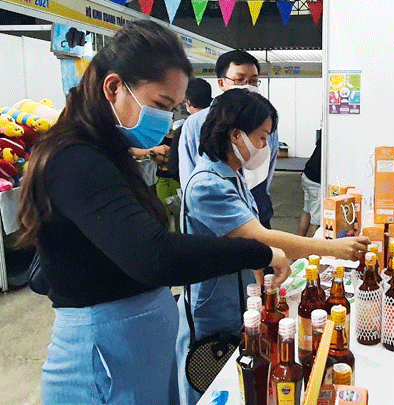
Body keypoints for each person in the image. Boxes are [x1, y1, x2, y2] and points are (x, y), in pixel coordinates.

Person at [15, 20, 290, 405]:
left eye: (174, 108)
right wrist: (259, 252)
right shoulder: (74, 159)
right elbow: (154, 255)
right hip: (105, 362)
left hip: (137, 350)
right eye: (161, 106)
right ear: (113, 87)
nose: (165, 120)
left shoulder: (110, 153)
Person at [175, 88, 370, 404]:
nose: (266, 147)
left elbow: (251, 240)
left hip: (240, 302)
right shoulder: (207, 186)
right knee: (216, 391)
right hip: (214, 311)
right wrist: (332, 249)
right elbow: (259, 238)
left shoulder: (232, 176)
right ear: (236, 135)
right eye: (262, 137)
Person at [178, 50, 279, 229]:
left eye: (254, 81)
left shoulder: (264, 118)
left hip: (257, 200)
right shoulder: (197, 124)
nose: (248, 86)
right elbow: (189, 172)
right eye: (240, 80)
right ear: (222, 83)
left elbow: (268, 165)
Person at [168, 78, 212, 184]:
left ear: (188, 102)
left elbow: (174, 168)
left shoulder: (183, 130)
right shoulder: (224, 123)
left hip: (195, 188)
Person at [298, 128, 322, 236]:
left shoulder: (324, 137)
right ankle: (313, 251)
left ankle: (298, 242)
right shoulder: (334, 139)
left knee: (307, 210)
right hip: (316, 182)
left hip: (307, 175)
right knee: (316, 220)